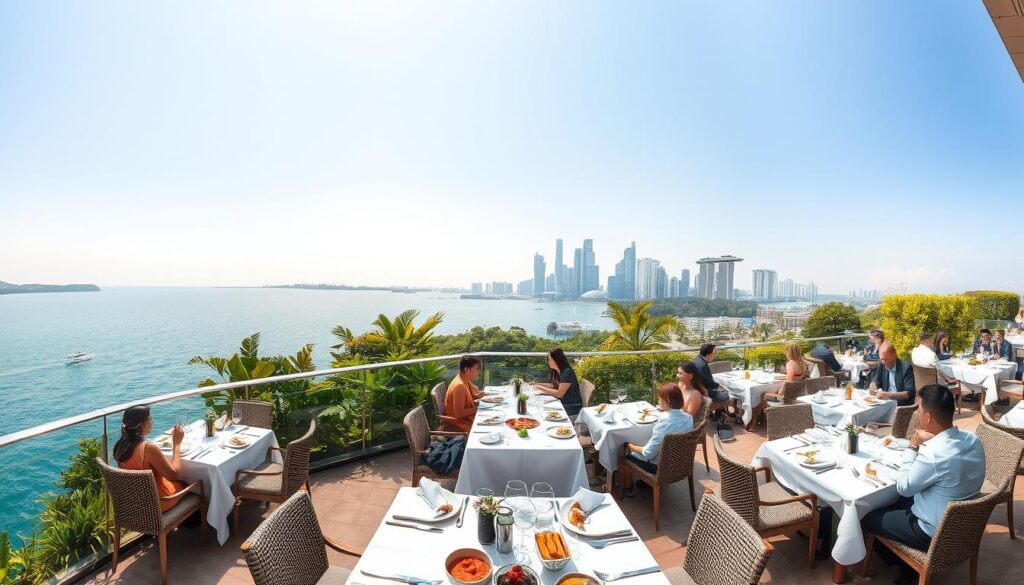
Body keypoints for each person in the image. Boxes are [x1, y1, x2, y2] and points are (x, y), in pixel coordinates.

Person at [860, 385, 984, 585]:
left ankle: (908, 566)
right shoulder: (974, 441)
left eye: (918, 409)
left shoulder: (934, 453)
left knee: (866, 516)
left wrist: (913, 445)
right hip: (964, 526)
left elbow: (903, 486)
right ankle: (906, 565)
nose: (917, 413)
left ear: (928, 417)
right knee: (898, 502)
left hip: (932, 533)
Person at [619, 383, 694, 497]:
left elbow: (648, 453)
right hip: (680, 463)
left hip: (660, 468)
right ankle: (645, 483)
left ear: (667, 400)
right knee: (650, 444)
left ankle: (627, 489)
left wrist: (629, 445)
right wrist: (666, 411)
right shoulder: (689, 418)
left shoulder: (664, 422)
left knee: (623, 453)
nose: (659, 401)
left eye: (660, 399)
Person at [114, 405, 189, 512]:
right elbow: (174, 475)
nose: (152, 422)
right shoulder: (148, 449)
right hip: (157, 504)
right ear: (142, 424)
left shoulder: (119, 446)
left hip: (134, 505)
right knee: (187, 482)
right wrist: (176, 444)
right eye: (150, 419)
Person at [532, 348, 583, 417]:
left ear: (556, 359)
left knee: (541, 408)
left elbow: (559, 394)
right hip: (563, 402)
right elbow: (553, 385)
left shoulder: (567, 372)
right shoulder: (560, 371)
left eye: (549, 359)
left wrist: (539, 387)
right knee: (539, 404)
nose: (548, 362)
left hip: (572, 406)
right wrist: (536, 384)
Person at [869, 342, 917, 406]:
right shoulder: (882, 364)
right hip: (884, 402)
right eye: (882, 359)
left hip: (900, 405)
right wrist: (873, 384)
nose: (883, 362)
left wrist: (890, 395)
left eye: (885, 359)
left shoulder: (905, 368)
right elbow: (876, 379)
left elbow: (910, 393)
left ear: (894, 356)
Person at [445, 355, 482, 432]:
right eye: (477, 369)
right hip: (459, 424)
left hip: (467, 419)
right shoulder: (459, 386)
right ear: (466, 369)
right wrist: (478, 408)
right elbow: (459, 413)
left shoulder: (465, 380)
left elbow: (475, 394)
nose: (478, 372)